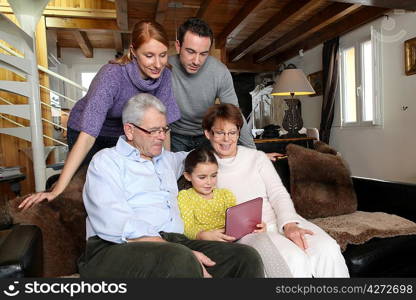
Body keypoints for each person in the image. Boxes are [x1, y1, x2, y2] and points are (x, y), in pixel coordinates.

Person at [78, 93, 264, 278]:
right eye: (153, 131)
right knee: (181, 259)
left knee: (246, 257)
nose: (161, 137)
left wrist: (235, 143)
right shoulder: (107, 161)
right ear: (129, 130)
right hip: (117, 247)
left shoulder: (167, 160)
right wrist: (171, 248)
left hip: (174, 242)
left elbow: (201, 157)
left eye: (164, 129)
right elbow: (115, 221)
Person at [20, 20, 180, 210]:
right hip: (87, 131)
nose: (158, 64)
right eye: (149, 55)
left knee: (124, 184)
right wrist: (57, 191)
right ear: (133, 51)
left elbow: (164, 126)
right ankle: (59, 184)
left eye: (163, 55)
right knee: (88, 185)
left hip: (124, 134)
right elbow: (88, 135)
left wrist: (166, 170)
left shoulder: (165, 76)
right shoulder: (112, 75)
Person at [201, 103, 350, 278]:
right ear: (208, 133)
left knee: (327, 248)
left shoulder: (256, 158)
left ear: (239, 132)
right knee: (294, 260)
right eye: (219, 133)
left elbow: (278, 193)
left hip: (279, 220)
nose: (226, 139)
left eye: (232, 132)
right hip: (250, 233)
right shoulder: (202, 166)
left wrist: (289, 224)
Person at [177, 146, 293, 278]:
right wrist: (204, 235)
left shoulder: (225, 194)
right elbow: (186, 227)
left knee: (260, 239)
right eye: (202, 177)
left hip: (233, 238)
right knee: (248, 255)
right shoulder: (185, 197)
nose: (209, 182)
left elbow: (237, 220)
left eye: (214, 176)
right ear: (188, 176)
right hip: (207, 243)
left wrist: (255, 225)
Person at [168, 17, 255, 152]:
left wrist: (253, 153)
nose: (196, 61)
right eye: (190, 52)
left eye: (203, 54)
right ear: (178, 46)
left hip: (207, 135)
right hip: (174, 135)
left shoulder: (219, 71)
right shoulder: (165, 68)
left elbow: (234, 114)